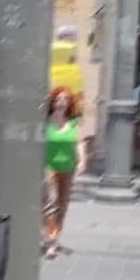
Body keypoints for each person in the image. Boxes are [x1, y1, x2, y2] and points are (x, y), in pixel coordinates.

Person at [42, 86, 87, 259]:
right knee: (51, 203)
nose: (61, 103)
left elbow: (79, 143)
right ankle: (51, 243)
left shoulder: (73, 123)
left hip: (67, 168)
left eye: (65, 99)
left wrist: (82, 160)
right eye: (58, 99)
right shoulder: (45, 122)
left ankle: (54, 235)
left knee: (63, 205)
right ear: (52, 102)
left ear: (69, 103)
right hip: (48, 167)